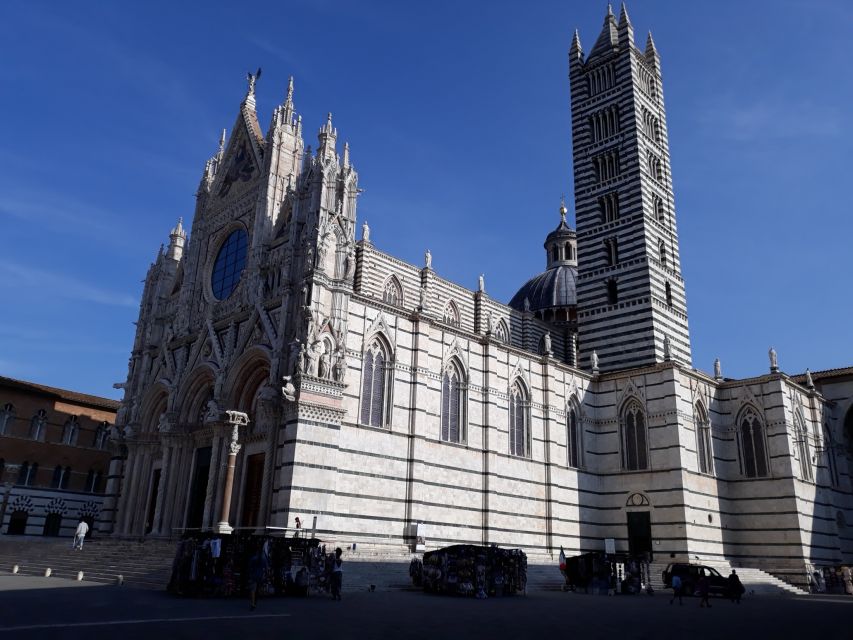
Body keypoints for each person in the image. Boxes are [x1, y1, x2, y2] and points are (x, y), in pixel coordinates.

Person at [248, 547, 268, 611]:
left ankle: (253, 604)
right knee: (257, 590)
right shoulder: (263, 559)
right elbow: (266, 568)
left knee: (253, 590)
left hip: (253, 576)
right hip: (260, 576)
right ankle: (255, 602)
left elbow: (250, 567)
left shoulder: (253, 558)